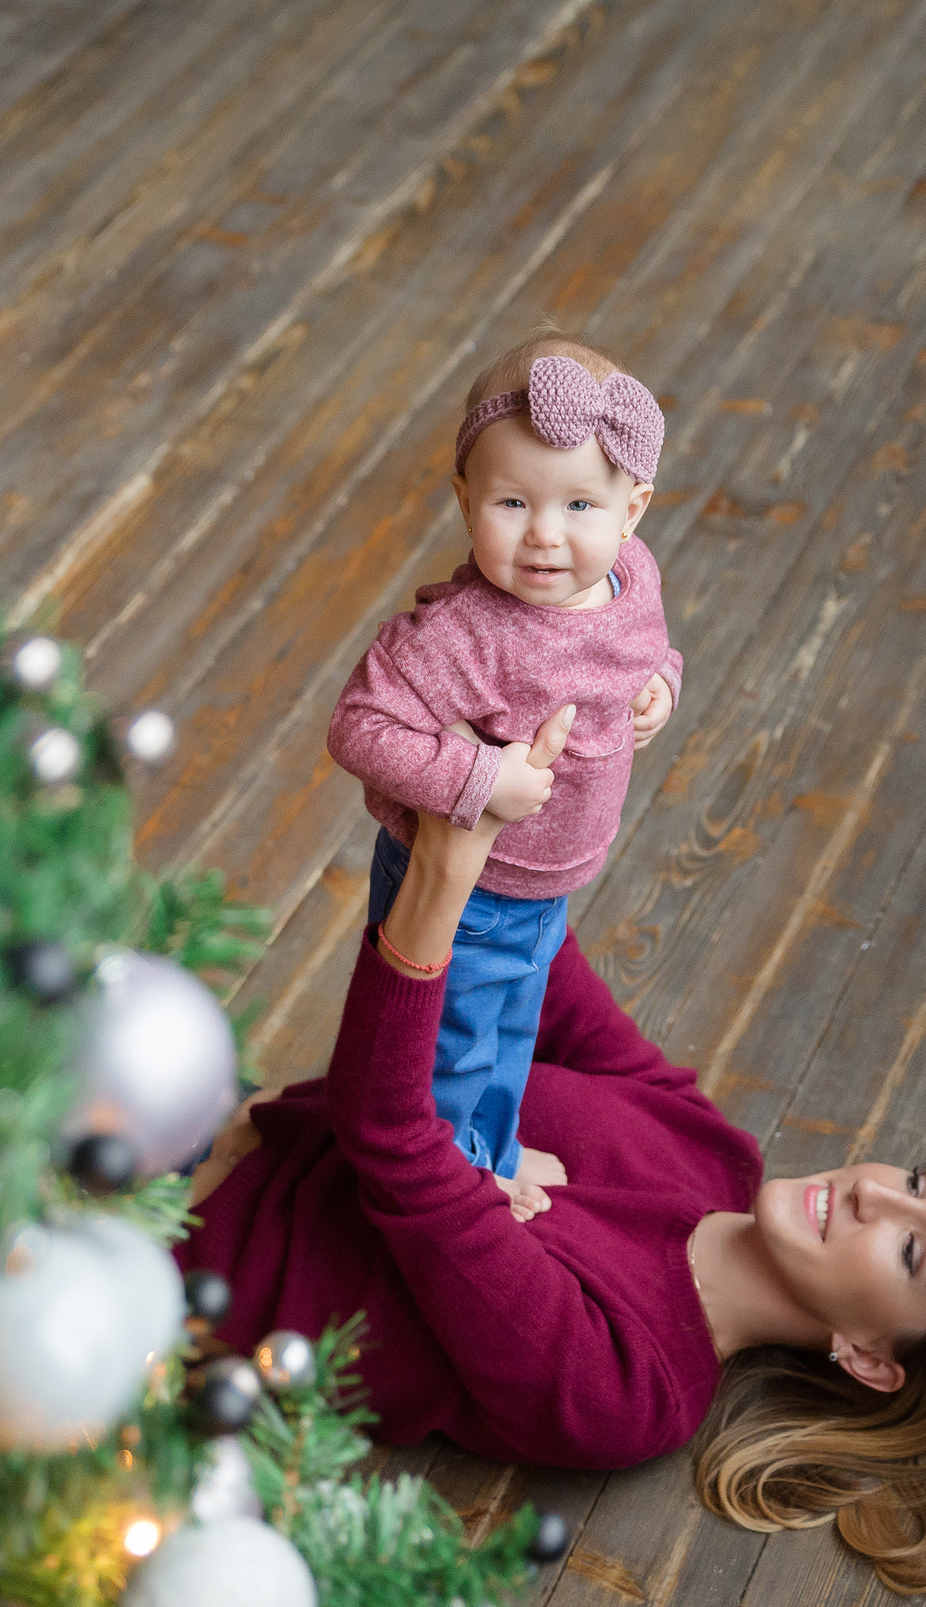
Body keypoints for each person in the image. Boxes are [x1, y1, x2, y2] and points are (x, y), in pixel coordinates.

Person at [179, 714, 926, 1596]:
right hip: (192, 1093)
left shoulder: (630, 1388)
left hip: (148, 1259)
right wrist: (541, 753)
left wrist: (440, 873)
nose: (873, 1193)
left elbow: (391, 1135)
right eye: (917, 1181)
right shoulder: (711, 1150)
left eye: (912, 1250)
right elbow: (535, 972)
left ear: (868, 1358)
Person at [325, 333, 683, 1218]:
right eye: (513, 502)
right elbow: (356, 726)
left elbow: (650, 647)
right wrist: (478, 777)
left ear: (631, 510)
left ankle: (497, 1145)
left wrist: (661, 688)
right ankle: (457, 1177)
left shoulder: (631, 576)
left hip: (548, 882)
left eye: (579, 506)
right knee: (453, 1043)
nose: (546, 535)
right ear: (464, 498)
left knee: (512, 1030)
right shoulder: (466, 637)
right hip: (469, 887)